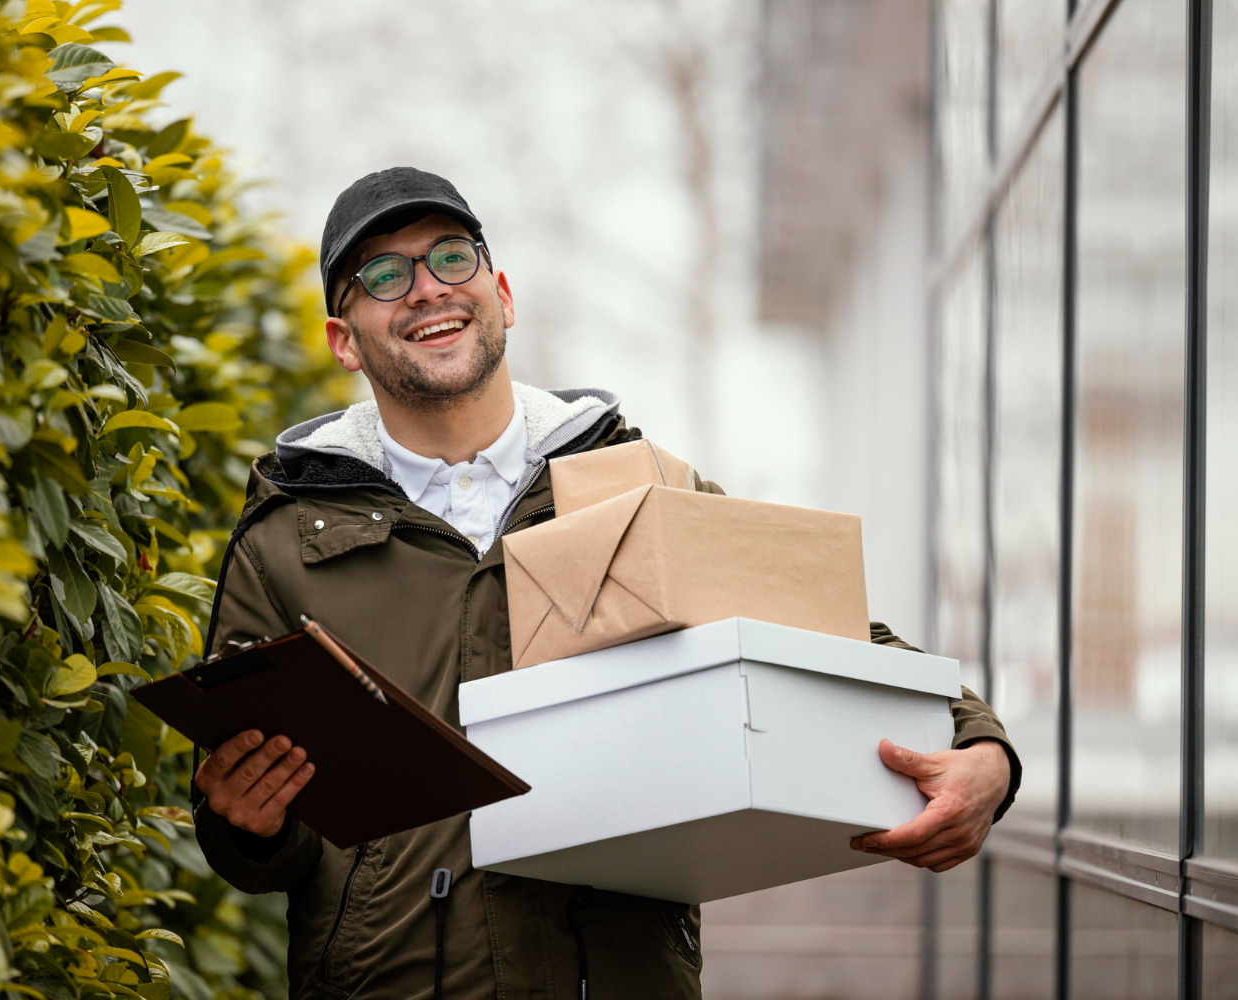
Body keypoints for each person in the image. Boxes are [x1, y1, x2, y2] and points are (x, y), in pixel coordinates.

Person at [192, 167, 1020, 1000]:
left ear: (501, 296)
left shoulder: (638, 484)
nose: (427, 288)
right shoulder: (284, 543)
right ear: (343, 341)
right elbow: (260, 850)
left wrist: (981, 750)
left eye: (450, 257)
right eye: (383, 275)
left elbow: (827, 630)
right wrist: (248, 825)